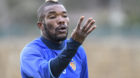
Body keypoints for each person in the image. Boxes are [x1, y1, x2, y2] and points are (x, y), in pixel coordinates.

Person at [20, 0, 96, 78]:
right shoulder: (30, 52)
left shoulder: (78, 50)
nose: (61, 20)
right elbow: (47, 74)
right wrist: (73, 44)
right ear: (41, 25)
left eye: (64, 16)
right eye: (52, 17)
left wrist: (74, 45)